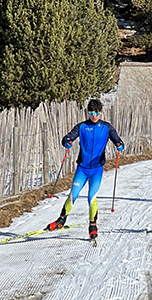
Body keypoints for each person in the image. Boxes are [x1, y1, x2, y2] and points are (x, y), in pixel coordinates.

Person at [45, 99, 124, 240]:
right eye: (92, 113)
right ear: (88, 112)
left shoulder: (106, 127)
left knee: (91, 197)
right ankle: (61, 220)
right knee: (73, 195)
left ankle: (93, 226)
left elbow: (117, 139)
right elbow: (68, 137)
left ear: (101, 113)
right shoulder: (82, 127)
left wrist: (119, 144)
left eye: (97, 113)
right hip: (82, 168)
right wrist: (67, 141)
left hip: (96, 170)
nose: (94, 116)